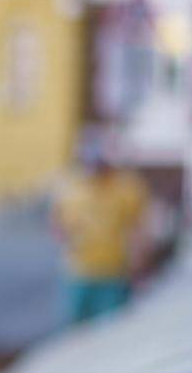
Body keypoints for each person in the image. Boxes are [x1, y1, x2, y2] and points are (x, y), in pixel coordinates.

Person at [51, 134, 150, 325]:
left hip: (113, 272)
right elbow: (57, 220)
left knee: (109, 328)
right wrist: (63, 237)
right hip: (79, 272)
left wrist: (139, 266)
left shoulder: (126, 188)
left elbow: (139, 231)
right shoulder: (71, 187)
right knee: (75, 328)